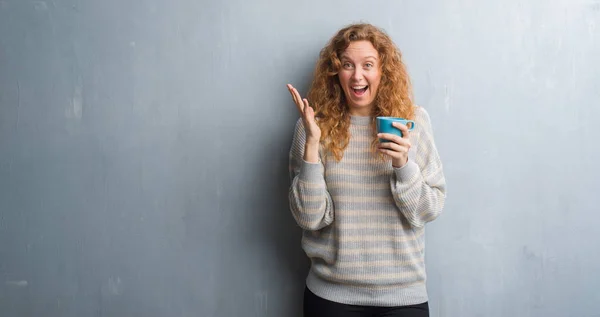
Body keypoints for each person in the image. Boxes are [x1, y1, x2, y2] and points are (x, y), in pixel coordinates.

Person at [286, 23, 447, 317]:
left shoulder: (414, 122)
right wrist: (312, 145)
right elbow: (310, 219)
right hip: (332, 296)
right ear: (336, 72)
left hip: (403, 297)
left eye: (367, 65)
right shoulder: (312, 128)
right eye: (347, 65)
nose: (357, 75)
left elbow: (427, 210)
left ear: (383, 70)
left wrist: (403, 165)